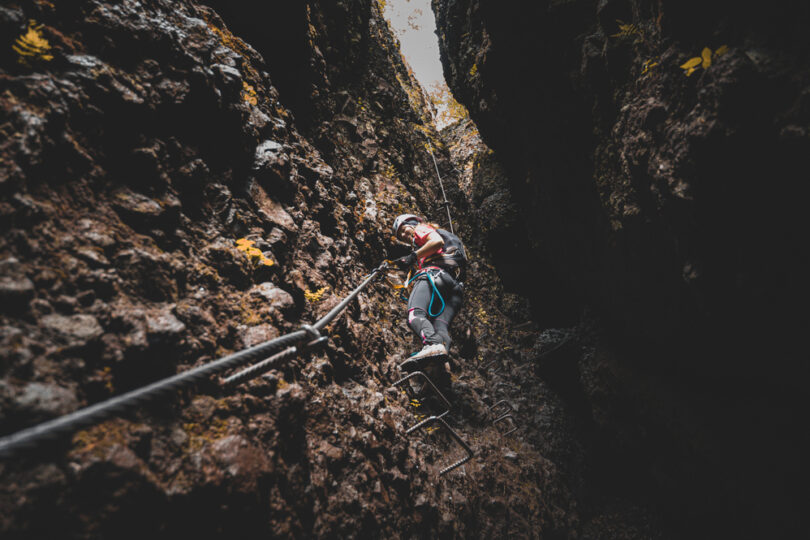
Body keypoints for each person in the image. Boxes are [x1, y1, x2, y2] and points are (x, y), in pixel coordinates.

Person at [392, 214, 466, 366]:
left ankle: (432, 345)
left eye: (405, 230)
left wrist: (413, 257)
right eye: (402, 237)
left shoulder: (422, 229)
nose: (406, 236)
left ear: (413, 223)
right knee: (440, 326)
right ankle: (441, 367)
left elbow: (436, 242)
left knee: (415, 314)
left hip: (434, 275)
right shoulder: (448, 241)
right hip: (455, 288)